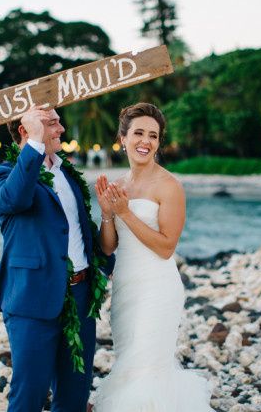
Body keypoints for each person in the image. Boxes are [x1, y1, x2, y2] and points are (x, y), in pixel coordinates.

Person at [0, 106, 115, 412]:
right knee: (29, 393)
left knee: (75, 393)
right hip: (32, 298)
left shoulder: (67, 171)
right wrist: (34, 143)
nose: (61, 129)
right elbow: (15, 199)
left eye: (58, 122)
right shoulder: (0, 176)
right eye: (51, 123)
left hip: (80, 295)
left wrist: (108, 266)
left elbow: (79, 230)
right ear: (25, 130)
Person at [92, 103, 214, 411]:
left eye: (153, 136)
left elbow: (165, 247)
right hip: (125, 289)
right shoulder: (119, 185)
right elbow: (108, 247)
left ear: (159, 143)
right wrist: (107, 214)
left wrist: (125, 213)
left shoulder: (169, 185)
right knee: (129, 363)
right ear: (123, 138)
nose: (145, 141)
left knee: (148, 366)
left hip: (158, 287)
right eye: (138, 133)